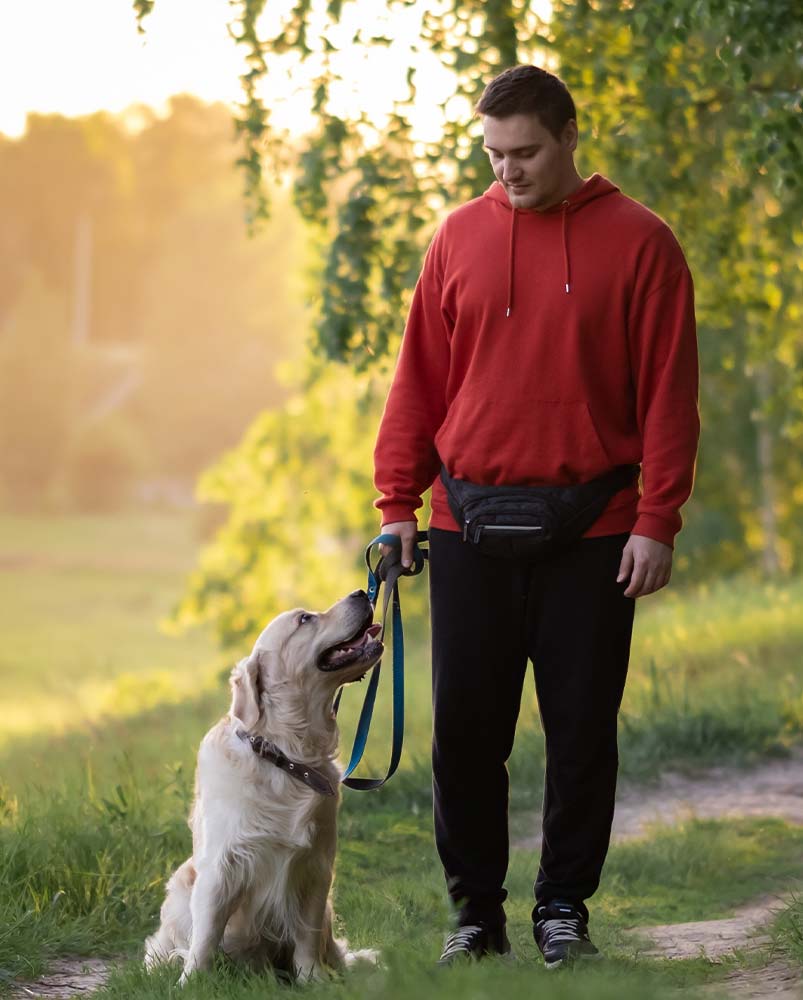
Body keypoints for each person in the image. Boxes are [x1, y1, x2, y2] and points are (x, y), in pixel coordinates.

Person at [372, 64, 700, 968]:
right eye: (492, 154)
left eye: (522, 153)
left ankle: (563, 907)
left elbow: (670, 394)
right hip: (465, 523)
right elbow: (419, 384)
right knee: (464, 737)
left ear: (567, 138)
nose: (506, 172)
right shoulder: (456, 239)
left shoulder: (642, 243)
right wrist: (398, 503)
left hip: (595, 528)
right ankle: (475, 914)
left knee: (581, 733)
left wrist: (656, 519)